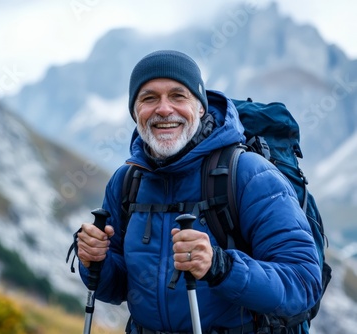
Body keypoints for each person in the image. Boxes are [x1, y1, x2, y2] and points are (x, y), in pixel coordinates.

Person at [74, 50, 322, 333]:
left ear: (201, 107)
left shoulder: (248, 174)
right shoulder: (127, 181)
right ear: (135, 112)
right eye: (149, 98)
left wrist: (221, 266)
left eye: (178, 96)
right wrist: (96, 261)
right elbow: (116, 288)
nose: (164, 109)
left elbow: (302, 285)